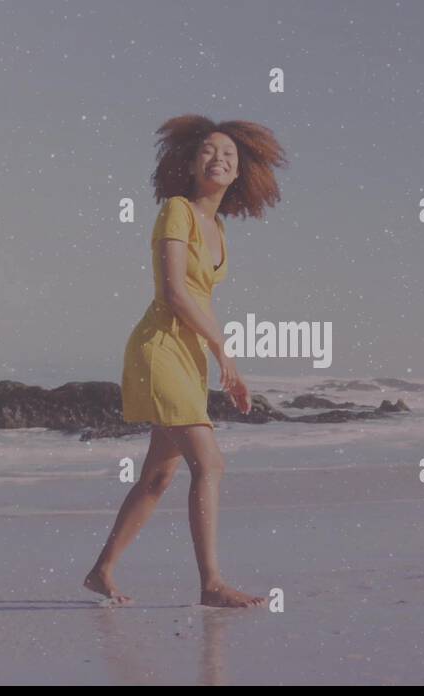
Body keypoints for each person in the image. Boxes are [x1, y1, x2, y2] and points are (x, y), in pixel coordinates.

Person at [85, 115, 288, 607]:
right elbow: (175, 292)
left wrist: (221, 363)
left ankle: (102, 570)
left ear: (240, 174)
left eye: (230, 156)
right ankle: (211, 584)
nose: (219, 159)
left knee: (159, 475)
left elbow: (202, 298)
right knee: (210, 463)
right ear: (190, 163)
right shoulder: (176, 210)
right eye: (209, 151)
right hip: (158, 348)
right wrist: (225, 351)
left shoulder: (218, 228)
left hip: (190, 355)